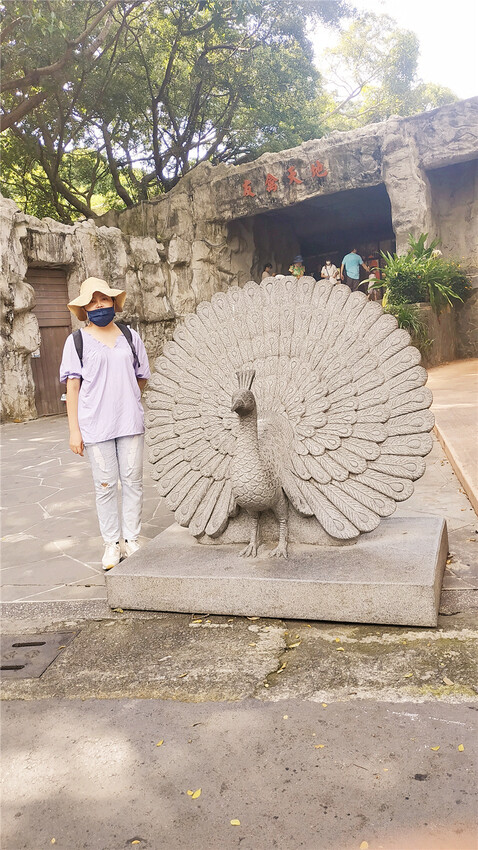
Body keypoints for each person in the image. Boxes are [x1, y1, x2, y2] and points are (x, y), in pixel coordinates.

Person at [59, 277, 151, 570]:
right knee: (105, 485)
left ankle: (132, 539)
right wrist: (75, 430)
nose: (99, 305)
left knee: (133, 482)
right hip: (95, 426)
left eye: (104, 300)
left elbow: (142, 376)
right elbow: (72, 388)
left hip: (129, 422)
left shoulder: (130, 336)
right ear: (84, 309)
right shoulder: (76, 342)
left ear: (113, 303)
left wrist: (125, 396)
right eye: (92, 302)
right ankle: (112, 544)